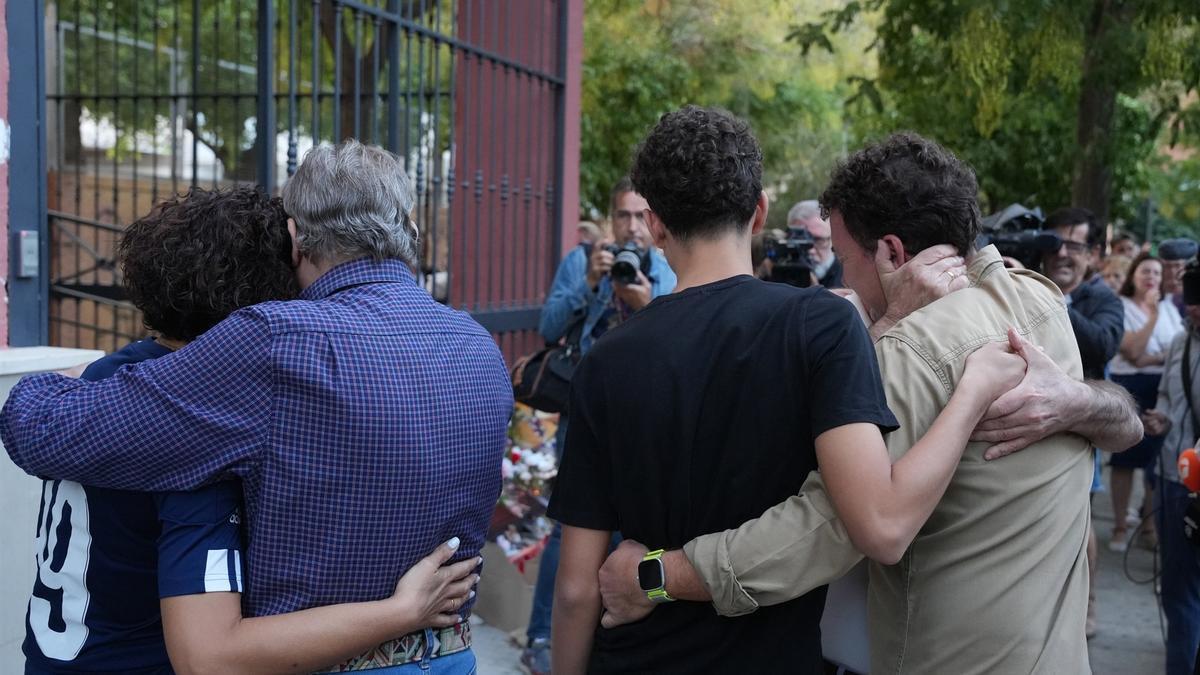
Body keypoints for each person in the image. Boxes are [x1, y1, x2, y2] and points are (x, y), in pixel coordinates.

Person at [593, 131, 1145, 675]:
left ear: (891, 252)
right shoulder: (1037, 298)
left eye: (843, 257)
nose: (844, 280)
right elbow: (1111, 417)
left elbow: (830, 525)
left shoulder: (907, 352)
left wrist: (656, 576)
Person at [1, 140, 514, 673]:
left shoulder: (273, 343)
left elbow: (43, 433)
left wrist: (71, 379)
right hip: (450, 656)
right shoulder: (478, 345)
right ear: (409, 225)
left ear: (294, 239)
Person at [520, 178, 676, 675]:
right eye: (622, 216)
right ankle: (543, 636)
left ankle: (609, 623)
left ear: (653, 221)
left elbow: (677, 337)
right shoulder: (581, 259)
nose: (631, 227)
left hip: (645, 411)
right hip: (585, 406)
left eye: (639, 216)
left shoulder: (667, 265)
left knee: (635, 525)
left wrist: (644, 299)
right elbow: (548, 327)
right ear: (610, 219)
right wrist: (589, 282)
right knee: (570, 528)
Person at [1041, 206, 1126, 637]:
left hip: (1083, 428)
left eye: (1074, 245)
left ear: (1093, 255)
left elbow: (1103, 346)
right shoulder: (1024, 282)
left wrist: (1047, 301)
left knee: (1082, 521)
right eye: (1054, 241)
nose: (1062, 253)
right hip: (1032, 421)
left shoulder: (1103, 299)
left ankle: (1086, 606)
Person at [1142, 262, 1200, 675]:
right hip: (1173, 478)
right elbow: (1167, 394)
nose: (1193, 310)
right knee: (1178, 594)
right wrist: (1160, 417)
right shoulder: (1180, 341)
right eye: (1191, 301)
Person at [1109, 252, 1186, 551]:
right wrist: (1152, 318)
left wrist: (1150, 358)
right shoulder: (1123, 305)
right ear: (1133, 276)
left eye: (1156, 272)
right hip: (1131, 386)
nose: (1152, 277)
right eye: (1145, 272)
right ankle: (1118, 525)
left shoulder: (1169, 307)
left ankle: (1149, 526)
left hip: (1161, 387)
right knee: (1125, 457)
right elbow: (1131, 351)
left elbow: (1169, 352)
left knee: (1157, 460)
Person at [787, 199, 843, 288]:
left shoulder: (851, 279)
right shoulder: (777, 273)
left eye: (819, 240)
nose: (811, 250)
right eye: (801, 240)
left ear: (834, 239)